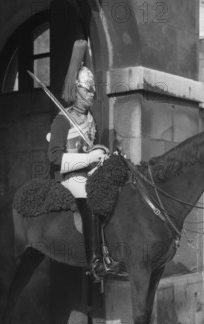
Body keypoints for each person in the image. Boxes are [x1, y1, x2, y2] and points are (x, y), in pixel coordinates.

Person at [47, 39, 126, 280]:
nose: (92, 93)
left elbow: (95, 149)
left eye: (93, 89)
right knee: (90, 195)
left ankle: (112, 252)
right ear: (76, 89)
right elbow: (54, 158)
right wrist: (88, 158)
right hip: (69, 177)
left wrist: (102, 157)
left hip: (89, 175)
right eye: (87, 89)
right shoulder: (62, 119)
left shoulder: (91, 120)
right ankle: (95, 261)